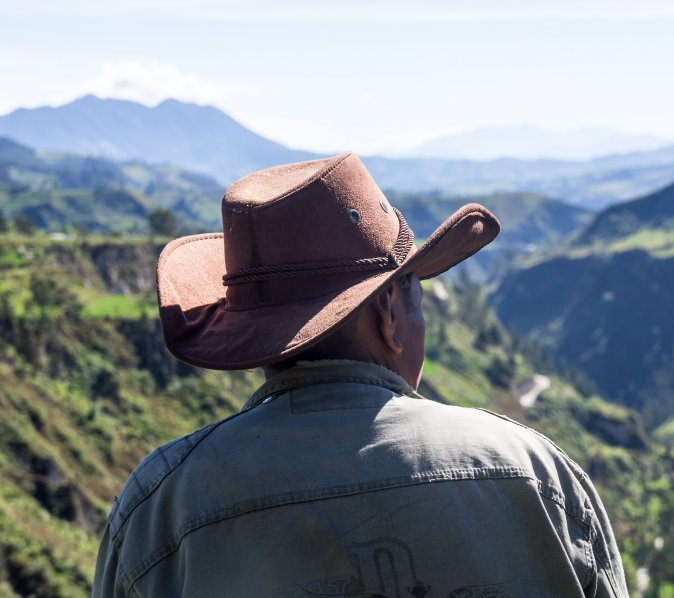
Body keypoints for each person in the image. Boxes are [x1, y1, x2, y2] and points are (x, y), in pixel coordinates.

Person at [92, 153, 628, 597]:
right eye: (416, 298)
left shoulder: (160, 507)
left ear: (255, 337)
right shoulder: (534, 476)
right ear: (389, 315)